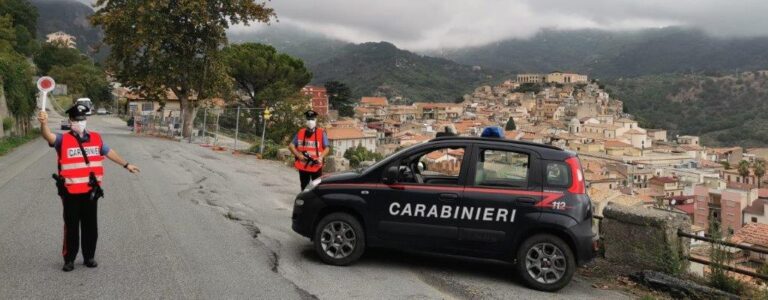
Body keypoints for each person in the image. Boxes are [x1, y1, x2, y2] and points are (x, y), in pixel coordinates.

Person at [37, 104, 140, 272]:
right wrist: (44, 123)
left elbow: (109, 152)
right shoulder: (63, 140)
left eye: (83, 119)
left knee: (90, 226)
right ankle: (69, 259)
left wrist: (126, 164)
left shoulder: (96, 138)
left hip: (91, 192)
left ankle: (89, 257)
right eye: (77, 119)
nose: (80, 122)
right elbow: (47, 136)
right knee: (71, 227)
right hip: (70, 192)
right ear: (70, 121)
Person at [288, 110, 330, 191]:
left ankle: (315, 202)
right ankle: (305, 202)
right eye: (308, 119)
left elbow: (327, 148)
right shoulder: (301, 132)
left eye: (312, 119)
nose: (310, 121)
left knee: (317, 188)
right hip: (303, 166)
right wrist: (298, 155)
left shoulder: (321, 133)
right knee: (304, 188)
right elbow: (291, 145)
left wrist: (321, 157)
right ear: (305, 120)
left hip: (316, 166)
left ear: (316, 120)